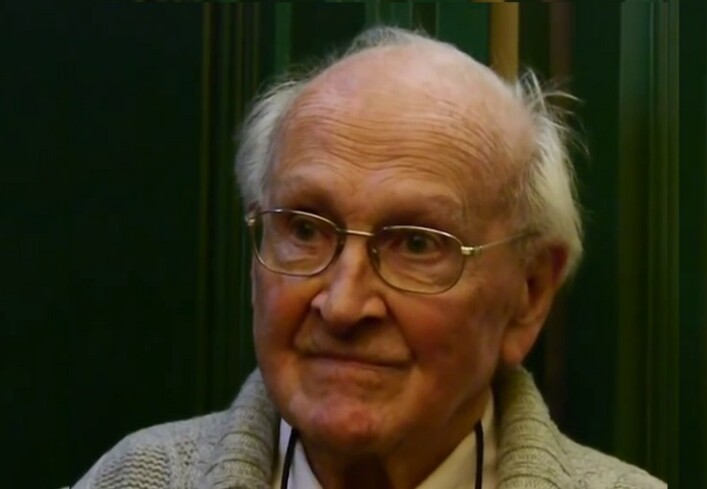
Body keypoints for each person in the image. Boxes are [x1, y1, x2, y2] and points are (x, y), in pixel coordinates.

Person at [72, 27, 666, 489]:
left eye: (417, 244)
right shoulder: (133, 479)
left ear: (529, 293)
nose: (342, 305)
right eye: (305, 229)